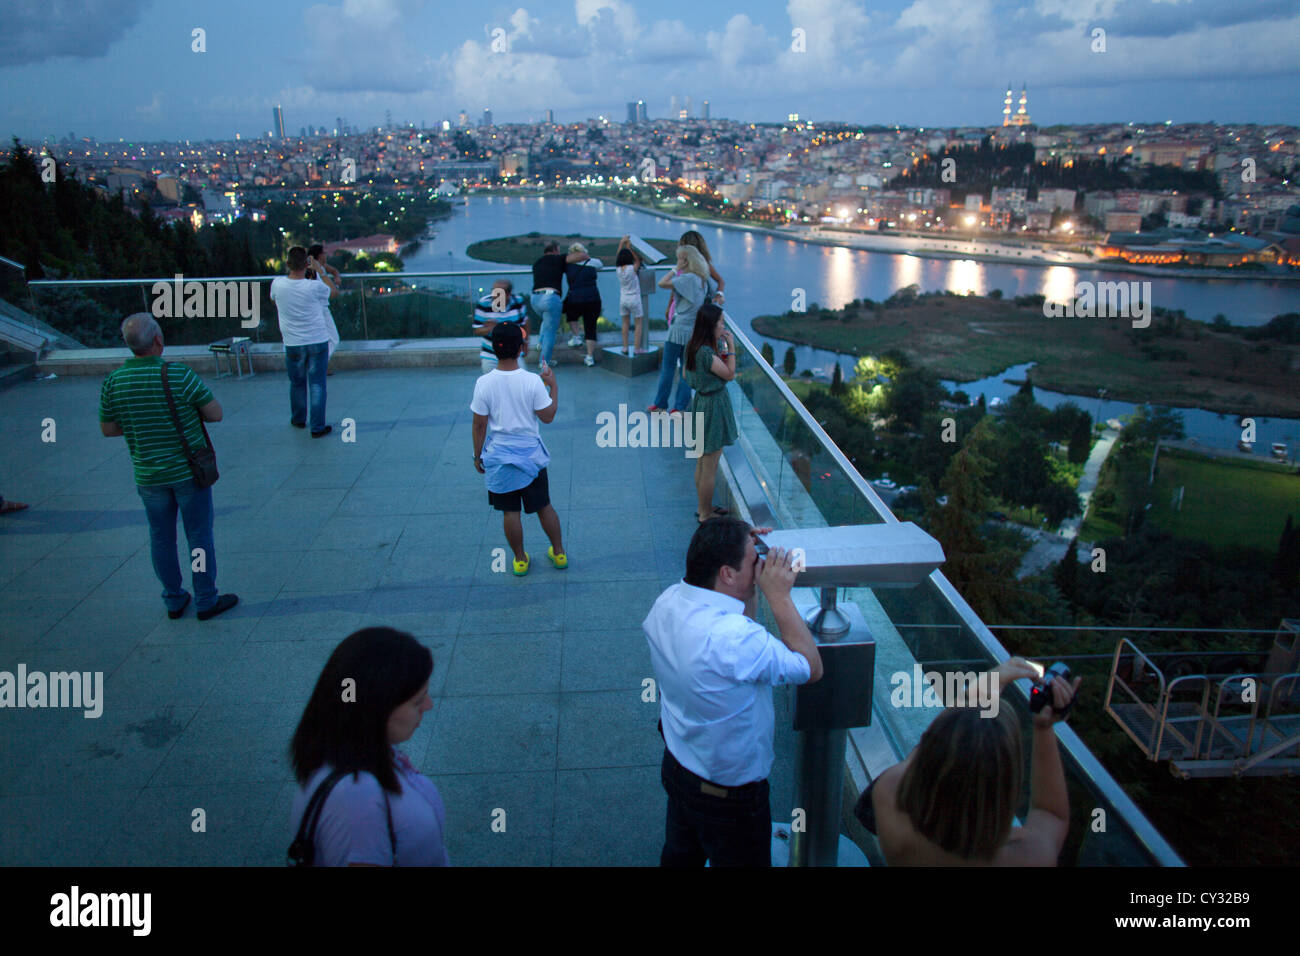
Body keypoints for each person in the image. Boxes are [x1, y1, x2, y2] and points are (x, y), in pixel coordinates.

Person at [643, 517, 823, 867]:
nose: (760, 567)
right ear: (726, 573)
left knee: (679, 857)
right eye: (754, 560)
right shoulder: (736, 640)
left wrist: (737, 544)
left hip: (679, 768)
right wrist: (779, 596)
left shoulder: (668, 602)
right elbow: (810, 668)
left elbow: (741, 629)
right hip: (729, 798)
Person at [860, 657, 1081, 866]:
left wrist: (970, 697)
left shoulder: (889, 800)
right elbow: (1051, 815)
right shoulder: (1027, 858)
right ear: (1006, 785)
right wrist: (1044, 727)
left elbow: (925, 754)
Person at [98, 313, 237, 620]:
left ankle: (173, 598)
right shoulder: (178, 375)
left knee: (161, 538)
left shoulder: (114, 381)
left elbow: (108, 429)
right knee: (198, 537)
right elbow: (215, 414)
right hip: (188, 472)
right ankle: (205, 598)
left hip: (148, 475)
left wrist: (142, 426)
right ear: (158, 340)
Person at [289, 627, 448, 866]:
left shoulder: (348, 752)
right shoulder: (356, 798)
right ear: (376, 708)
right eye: (417, 701)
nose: (429, 705)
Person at [471, 323, 567, 575]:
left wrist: (477, 456)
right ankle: (559, 553)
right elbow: (548, 416)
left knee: (510, 512)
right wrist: (553, 387)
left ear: (493, 348)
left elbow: (479, 425)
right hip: (531, 458)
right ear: (521, 349)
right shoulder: (532, 381)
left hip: (500, 458)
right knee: (544, 506)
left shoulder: (483, 383)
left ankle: (520, 559)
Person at [270, 246, 339, 437]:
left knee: (296, 383)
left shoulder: (277, 284)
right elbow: (333, 292)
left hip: (292, 342)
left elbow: (274, 301)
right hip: (317, 340)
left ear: (287, 264)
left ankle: (299, 419)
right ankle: (317, 427)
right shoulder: (314, 287)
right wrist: (320, 271)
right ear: (307, 265)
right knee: (317, 384)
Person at [684, 303, 738, 522]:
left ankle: (702, 507)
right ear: (711, 325)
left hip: (701, 404)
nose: (723, 326)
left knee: (702, 461)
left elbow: (687, 376)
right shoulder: (706, 353)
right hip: (713, 408)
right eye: (721, 322)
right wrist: (731, 346)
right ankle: (706, 514)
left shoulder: (693, 346)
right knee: (710, 467)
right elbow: (730, 374)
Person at [649, 245, 716, 414]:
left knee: (668, 367)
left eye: (679, 258)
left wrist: (674, 269)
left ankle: (660, 404)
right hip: (692, 331)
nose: (678, 261)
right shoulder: (703, 280)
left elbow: (662, 283)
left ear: (686, 261)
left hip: (678, 330)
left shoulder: (688, 278)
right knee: (686, 370)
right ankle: (679, 407)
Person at [529, 241, 585, 368]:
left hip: (535, 299)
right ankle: (544, 363)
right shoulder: (558, 259)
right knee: (550, 332)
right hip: (550, 298)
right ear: (554, 250)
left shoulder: (537, 262)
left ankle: (540, 345)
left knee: (546, 322)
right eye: (558, 250)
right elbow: (582, 256)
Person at [473, 278, 529, 375]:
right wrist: (489, 329)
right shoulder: (484, 304)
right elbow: (477, 330)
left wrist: (526, 343)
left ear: (508, 294)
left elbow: (525, 323)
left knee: (522, 379)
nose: (494, 295)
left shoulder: (518, 302)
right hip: (490, 354)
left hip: (514, 354)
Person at [563, 242, 604, 367]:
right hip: (593, 298)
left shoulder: (567, 265)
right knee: (591, 327)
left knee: (570, 313)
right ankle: (590, 357)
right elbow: (601, 265)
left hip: (575, 298)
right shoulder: (593, 262)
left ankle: (576, 336)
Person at [305, 243, 342, 374]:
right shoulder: (313, 270)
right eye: (324, 252)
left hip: (320, 307)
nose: (326, 255)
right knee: (333, 339)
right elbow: (333, 292)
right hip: (319, 308)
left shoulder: (321, 266)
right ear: (320, 255)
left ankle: (321, 365)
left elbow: (334, 270)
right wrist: (322, 274)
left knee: (323, 338)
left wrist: (336, 276)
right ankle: (319, 365)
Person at [615, 236, 644, 357]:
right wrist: (630, 247)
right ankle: (637, 349)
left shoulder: (618, 270)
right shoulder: (632, 269)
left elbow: (618, 256)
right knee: (638, 324)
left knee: (625, 324)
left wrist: (622, 243)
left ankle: (625, 347)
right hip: (634, 299)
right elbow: (637, 260)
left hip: (623, 299)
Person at [678, 230, 725, 305]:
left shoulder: (704, 264)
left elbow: (720, 281)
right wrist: (669, 306)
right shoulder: (682, 264)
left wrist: (719, 294)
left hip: (697, 306)